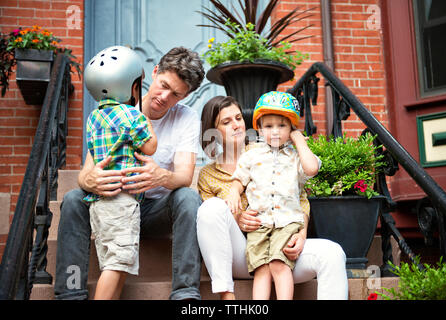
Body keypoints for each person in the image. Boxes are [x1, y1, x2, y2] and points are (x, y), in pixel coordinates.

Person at [54, 46, 205, 300]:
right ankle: (70, 294)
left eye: (176, 94)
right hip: (115, 204)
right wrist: (89, 180)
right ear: (153, 72)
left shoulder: (187, 118)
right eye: (164, 85)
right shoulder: (117, 107)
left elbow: (184, 177)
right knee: (71, 200)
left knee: (189, 198)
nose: (164, 97)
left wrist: (160, 176)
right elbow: (85, 174)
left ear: (185, 96)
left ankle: (185, 294)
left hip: (153, 211)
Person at [196, 95, 349, 300]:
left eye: (239, 118)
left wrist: (301, 234)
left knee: (333, 253)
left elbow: (300, 197)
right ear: (212, 131)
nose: (237, 125)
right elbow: (213, 225)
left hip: (282, 246)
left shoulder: (271, 151)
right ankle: (226, 295)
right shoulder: (207, 175)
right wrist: (238, 218)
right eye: (226, 121)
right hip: (242, 253)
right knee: (211, 208)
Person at [225, 91, 320, 300]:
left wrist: (299, 141)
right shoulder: (251, 155)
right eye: (268, 126)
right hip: (260, 223)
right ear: (259, 128)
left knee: (279, 264)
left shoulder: (296, 157)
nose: (275, 132)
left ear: (291, 128)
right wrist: (233, 192)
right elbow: (239, 179)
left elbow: (312, 168)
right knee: (261, 269)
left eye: (282, 126)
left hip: (287, 222)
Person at [82, 45, 158, 300]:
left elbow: (92, 152)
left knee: (113, 264)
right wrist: (144, 119)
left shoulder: (93, 118)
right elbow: (150, 146)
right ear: (132, 87)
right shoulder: (131, 115)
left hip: (100, 204)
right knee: (117, 264)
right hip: (122, 201)